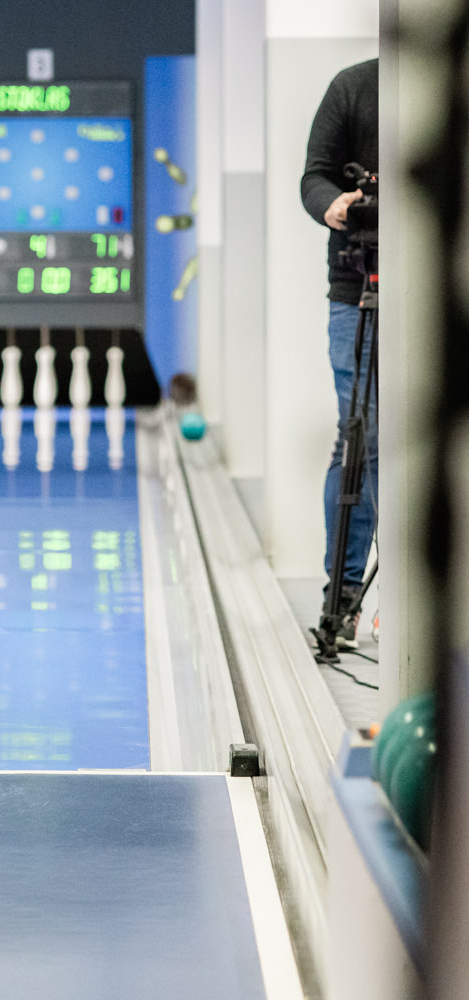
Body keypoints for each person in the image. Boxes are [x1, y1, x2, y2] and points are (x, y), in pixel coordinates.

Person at [300, 57, 379, 647]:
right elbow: (315, 178)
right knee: (363, 437)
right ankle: (345, 599)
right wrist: (334, 205)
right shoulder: (352, 86)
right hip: (358, 290)